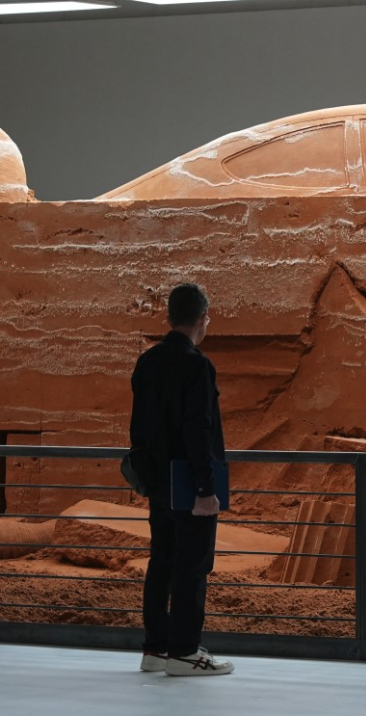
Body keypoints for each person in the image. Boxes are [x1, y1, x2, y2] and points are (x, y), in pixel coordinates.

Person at [129, 282, 234, 677]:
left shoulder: (147, 362)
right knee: (192, 566)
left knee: (162, 561)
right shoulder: (197, 366)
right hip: (190, 482)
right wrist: (206, 488)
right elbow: (198, 430)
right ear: (203, 318)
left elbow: (139, 428)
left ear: (170, 317)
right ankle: (185, 652)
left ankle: (156, 648)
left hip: (158, 481)